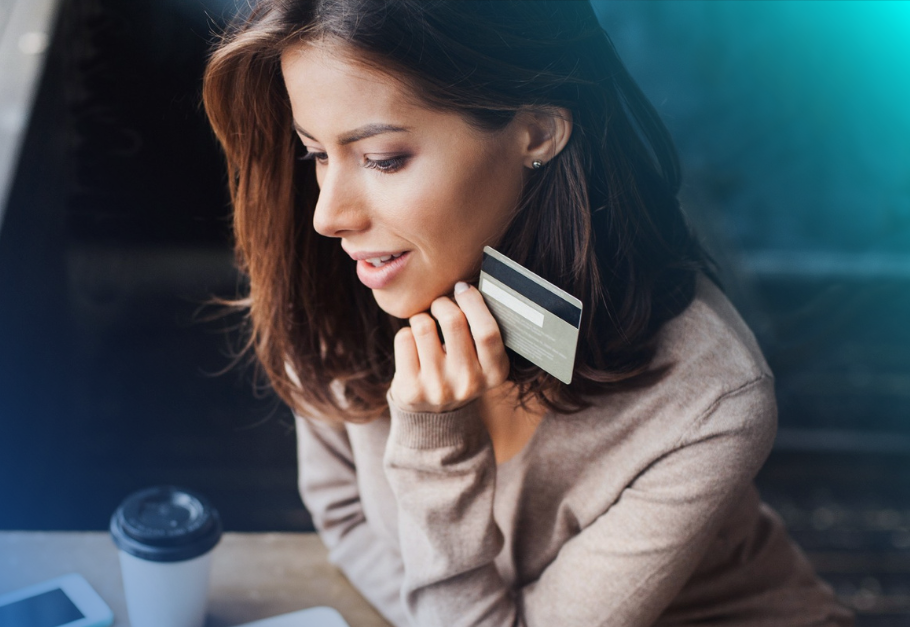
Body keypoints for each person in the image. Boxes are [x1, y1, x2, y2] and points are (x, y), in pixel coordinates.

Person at [200, 1, 854, 625]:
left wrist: (434, 449)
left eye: (383, 158)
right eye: (315, 153)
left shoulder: (711, 400)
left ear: (536, 131)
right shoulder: (339, 281)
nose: (328, 215)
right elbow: (342, 510)